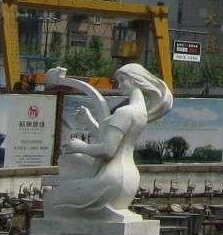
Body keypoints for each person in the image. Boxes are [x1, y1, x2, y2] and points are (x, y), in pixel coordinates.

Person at [43, 63, 173, 222]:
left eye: (122, 80)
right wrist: (89, 121)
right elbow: (112, 139)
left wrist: (81, 147)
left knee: (51, 202)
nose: (119, 85)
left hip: (111, 179)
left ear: (135, 80)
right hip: (129, 181)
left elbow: (108, 150)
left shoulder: (125, 112)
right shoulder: (140, 112)